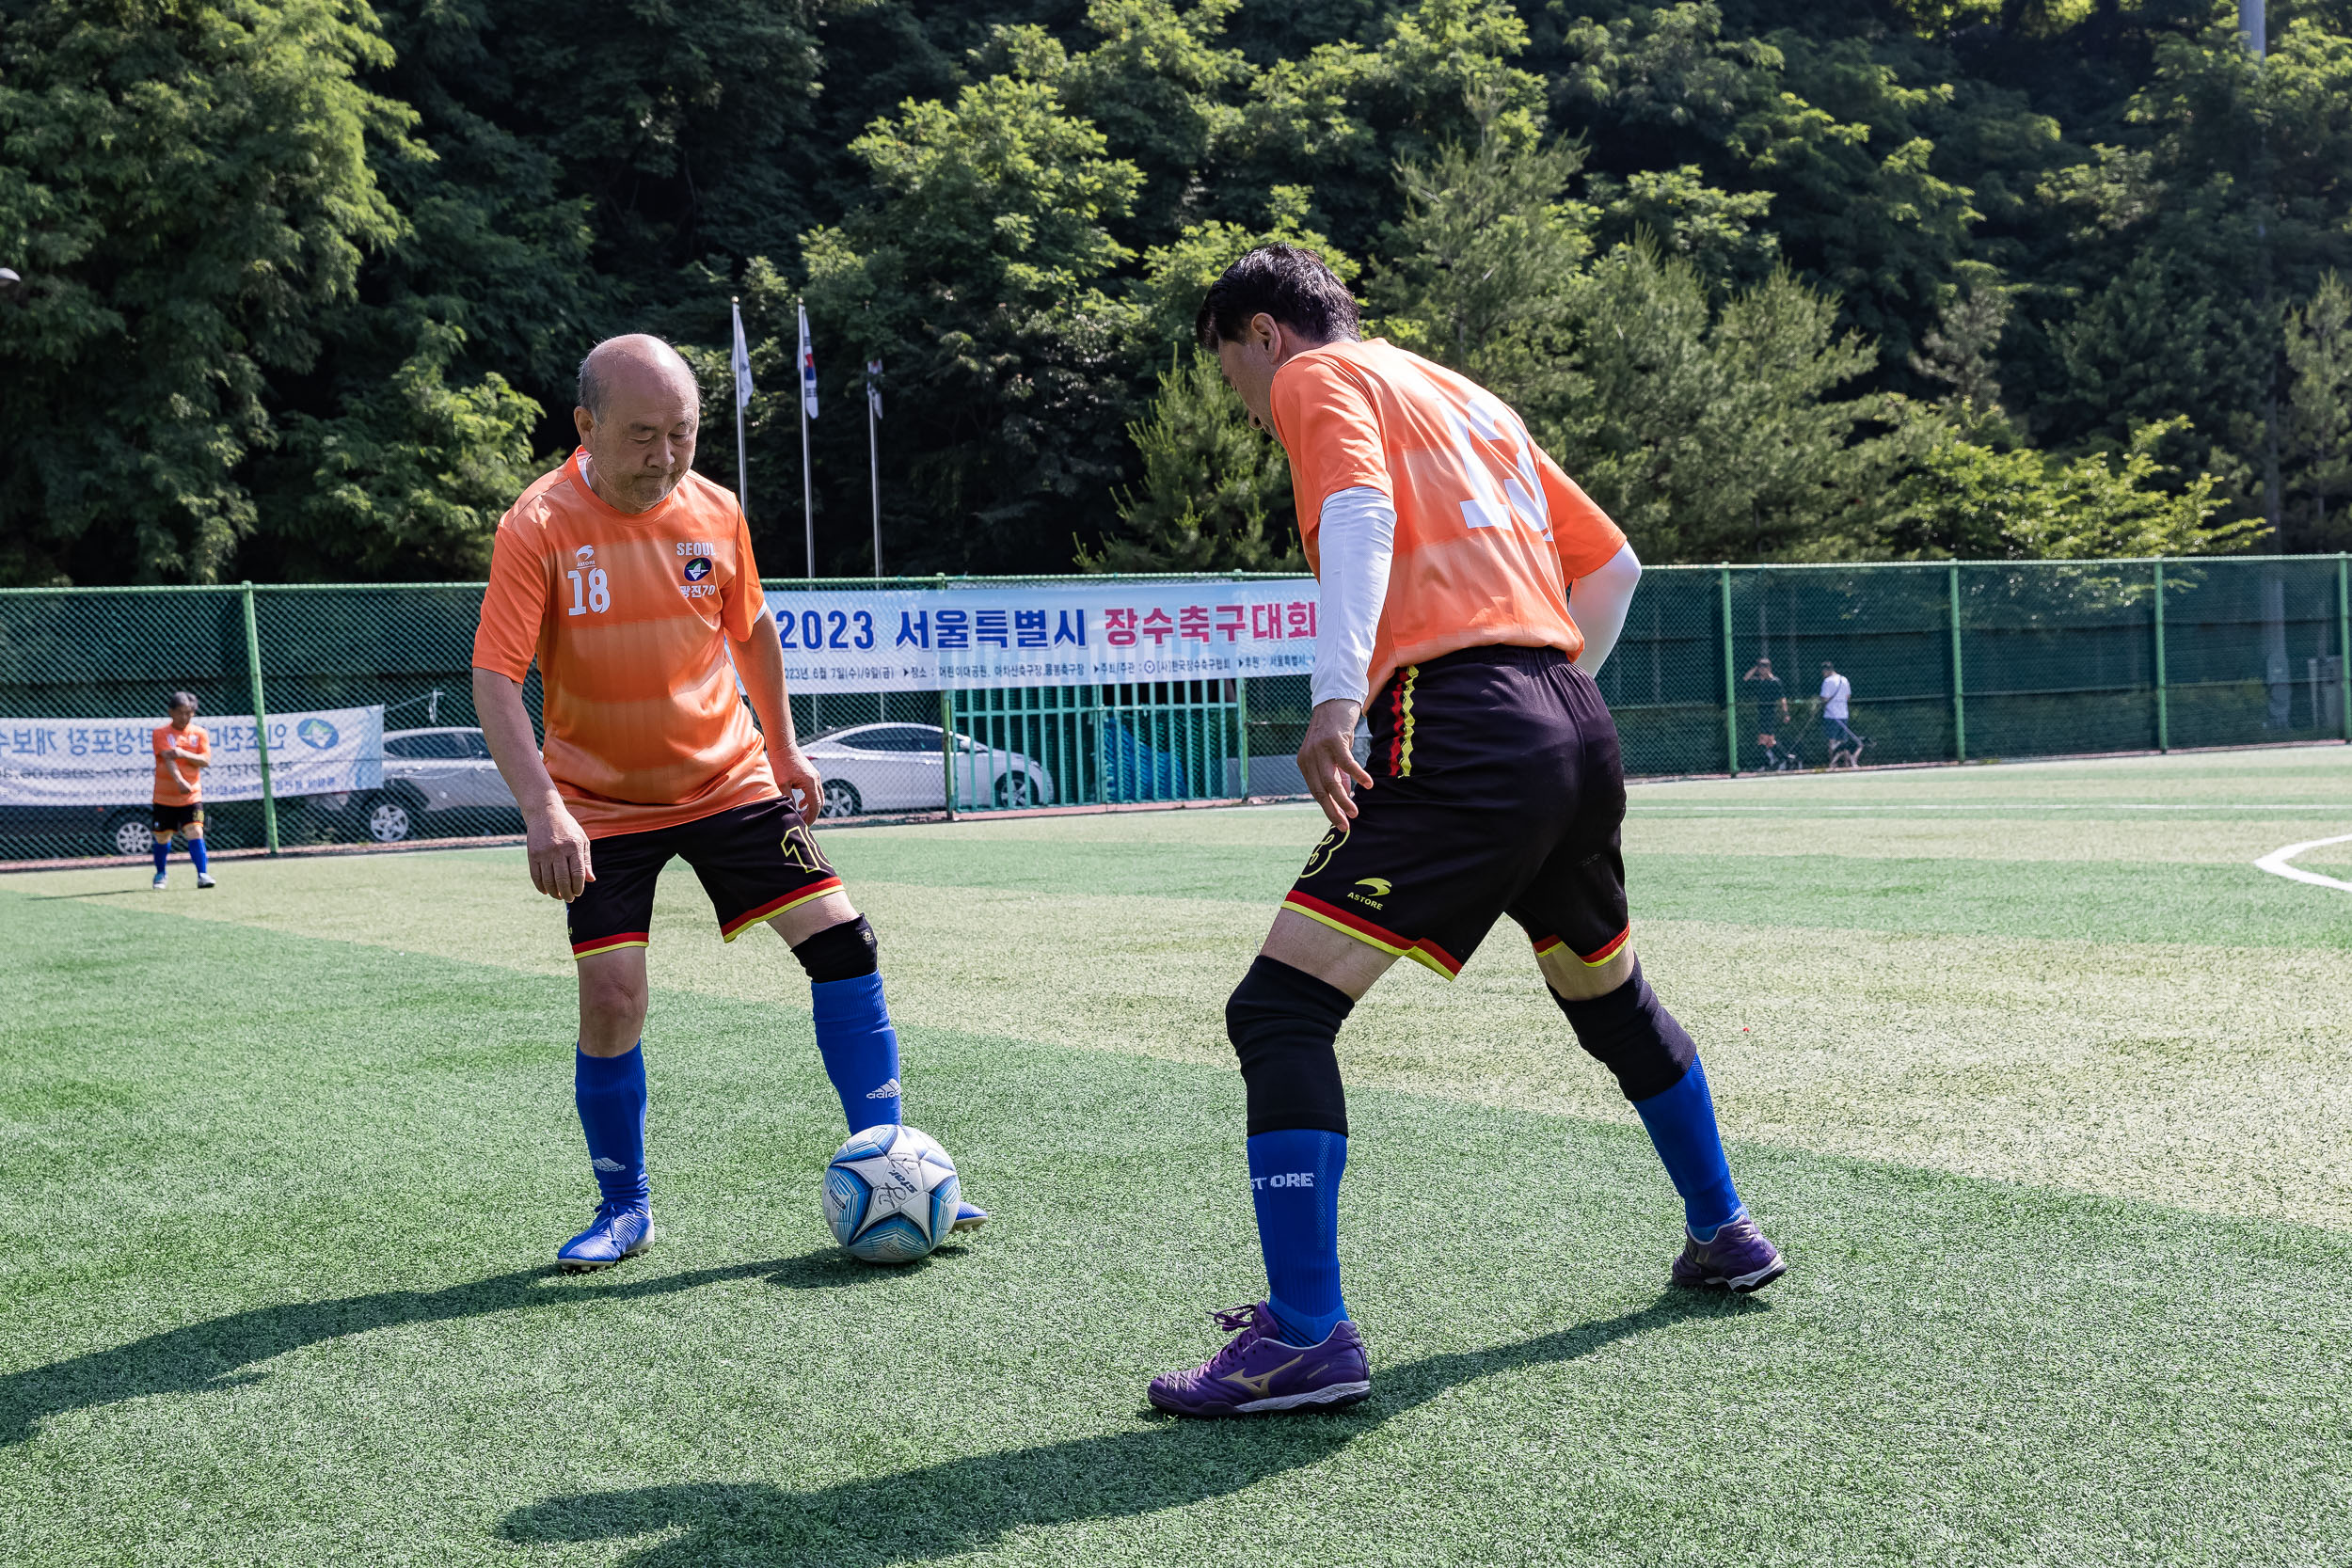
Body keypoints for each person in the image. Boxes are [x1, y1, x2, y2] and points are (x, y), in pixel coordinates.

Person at [1147, 245, 1782, 1419]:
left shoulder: (1315, 380)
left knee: (1278, 1009)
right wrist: (1547, 705)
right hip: (1569, 716)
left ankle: (1302, 1335)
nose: (1244, 397)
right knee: (1608, 997)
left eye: (1230, 365)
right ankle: (1724, 1228)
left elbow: (1357, 505)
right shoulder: (1464, 395)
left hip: (1461, 720)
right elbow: (1613, 565)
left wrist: (1338, 694)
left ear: (1263, 335)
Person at [470, 333, 983, 1272]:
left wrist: (784, 750)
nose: (665, 456)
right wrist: (544, 806)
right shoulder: (536, 524)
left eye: (684, 434)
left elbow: (749, 630)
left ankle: (894, 1161)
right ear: (585, 426)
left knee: (843, 940)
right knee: (614, 997)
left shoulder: (716, 510)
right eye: (641, 435)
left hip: (727, 778)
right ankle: (624, 1204)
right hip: (599, 800)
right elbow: (496, 678)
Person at [150, 690, 215, 890]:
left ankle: (203, 874)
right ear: (171, 712)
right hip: (164, 797)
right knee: (162, 837)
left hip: (193, 796)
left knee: (196, 830)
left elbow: (205, 760)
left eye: (189, 713)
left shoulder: (200, 733)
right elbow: (168, 758)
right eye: (180, 712)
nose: (185, 717)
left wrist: (183, 753)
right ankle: (161, 874)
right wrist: (179, 781)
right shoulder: (160, 733)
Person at [1741, 656, 1791, 769]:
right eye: (1760, 669)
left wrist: (1786, 713)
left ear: (1769, 668)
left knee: (1763, 740)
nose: (1761, 671)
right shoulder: (1759, 681)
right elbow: (1746, 679)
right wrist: (1755, 668)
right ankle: (1784, 759)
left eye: (1764, 668)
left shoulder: (1775, 682)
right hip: (1761, 712)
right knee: (1770, 741)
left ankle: (1762, 764)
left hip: (1770, 713)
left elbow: (1782, 699)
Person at [1819, 659, 1861, 765]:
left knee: (1832, 741)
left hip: (1831, 715)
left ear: (1826, 671)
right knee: (1843, 741)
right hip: (1843, 714)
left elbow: (1824, 698)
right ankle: (1846, 763)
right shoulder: (1844, 680)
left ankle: (1833, 763)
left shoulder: (1828, 681)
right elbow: (1848, 696)